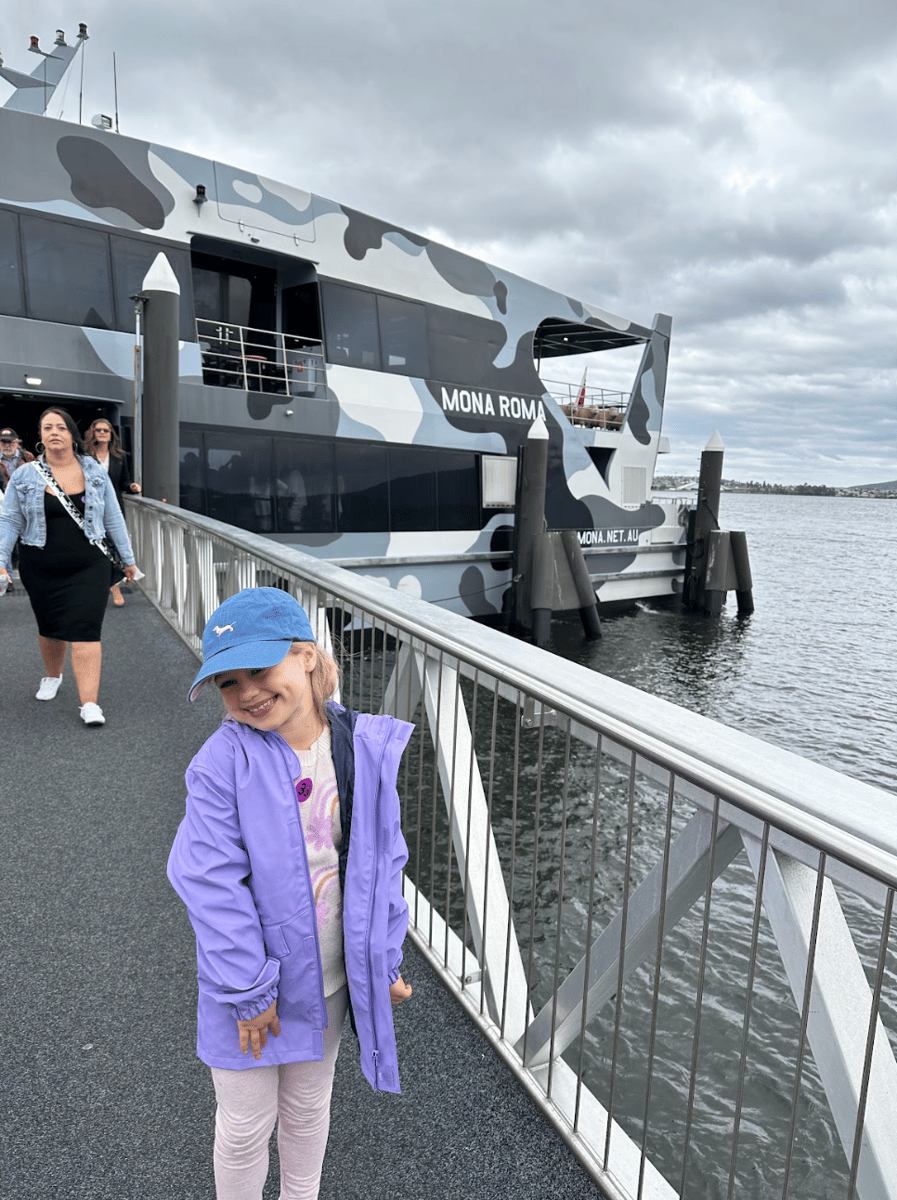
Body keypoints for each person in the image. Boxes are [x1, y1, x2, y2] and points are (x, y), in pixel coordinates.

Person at [167, 587, 413, 1200]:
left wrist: (381, 961)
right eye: (227, 682)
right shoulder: (221, 763)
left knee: (308, 1110)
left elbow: (383, 862)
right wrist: (250, 991)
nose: (246, 691)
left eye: (259, 669)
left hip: (329, 979)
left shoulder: (362, 747)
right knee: (247, 1124)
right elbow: (209, 881)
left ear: (306, 656)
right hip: (250, 987)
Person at [0, 407, 140, 727]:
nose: (54, 432)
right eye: (47, 427)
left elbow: (113, 518)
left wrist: (129, 559)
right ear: (40, 436)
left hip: (89, 564)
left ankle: (89, 702)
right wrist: (1, 562)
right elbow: (9, 521)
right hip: (40, 564)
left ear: (71, 435)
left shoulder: (93, 470)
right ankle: (53, 675)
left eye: (60, 427)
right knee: (50, 628)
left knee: (86, 630)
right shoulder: (25, 475)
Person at [84, 418, 142, 607]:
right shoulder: (84, 456)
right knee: (92, 547)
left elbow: (124, 481)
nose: (101, 433)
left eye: (105, 431)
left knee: (114, 547)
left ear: (111, 435)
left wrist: (131, 486)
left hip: (113, 507)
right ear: (92, 433)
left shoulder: (120, 457)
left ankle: (115, 586)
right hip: (88, 507)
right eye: (98, 430)